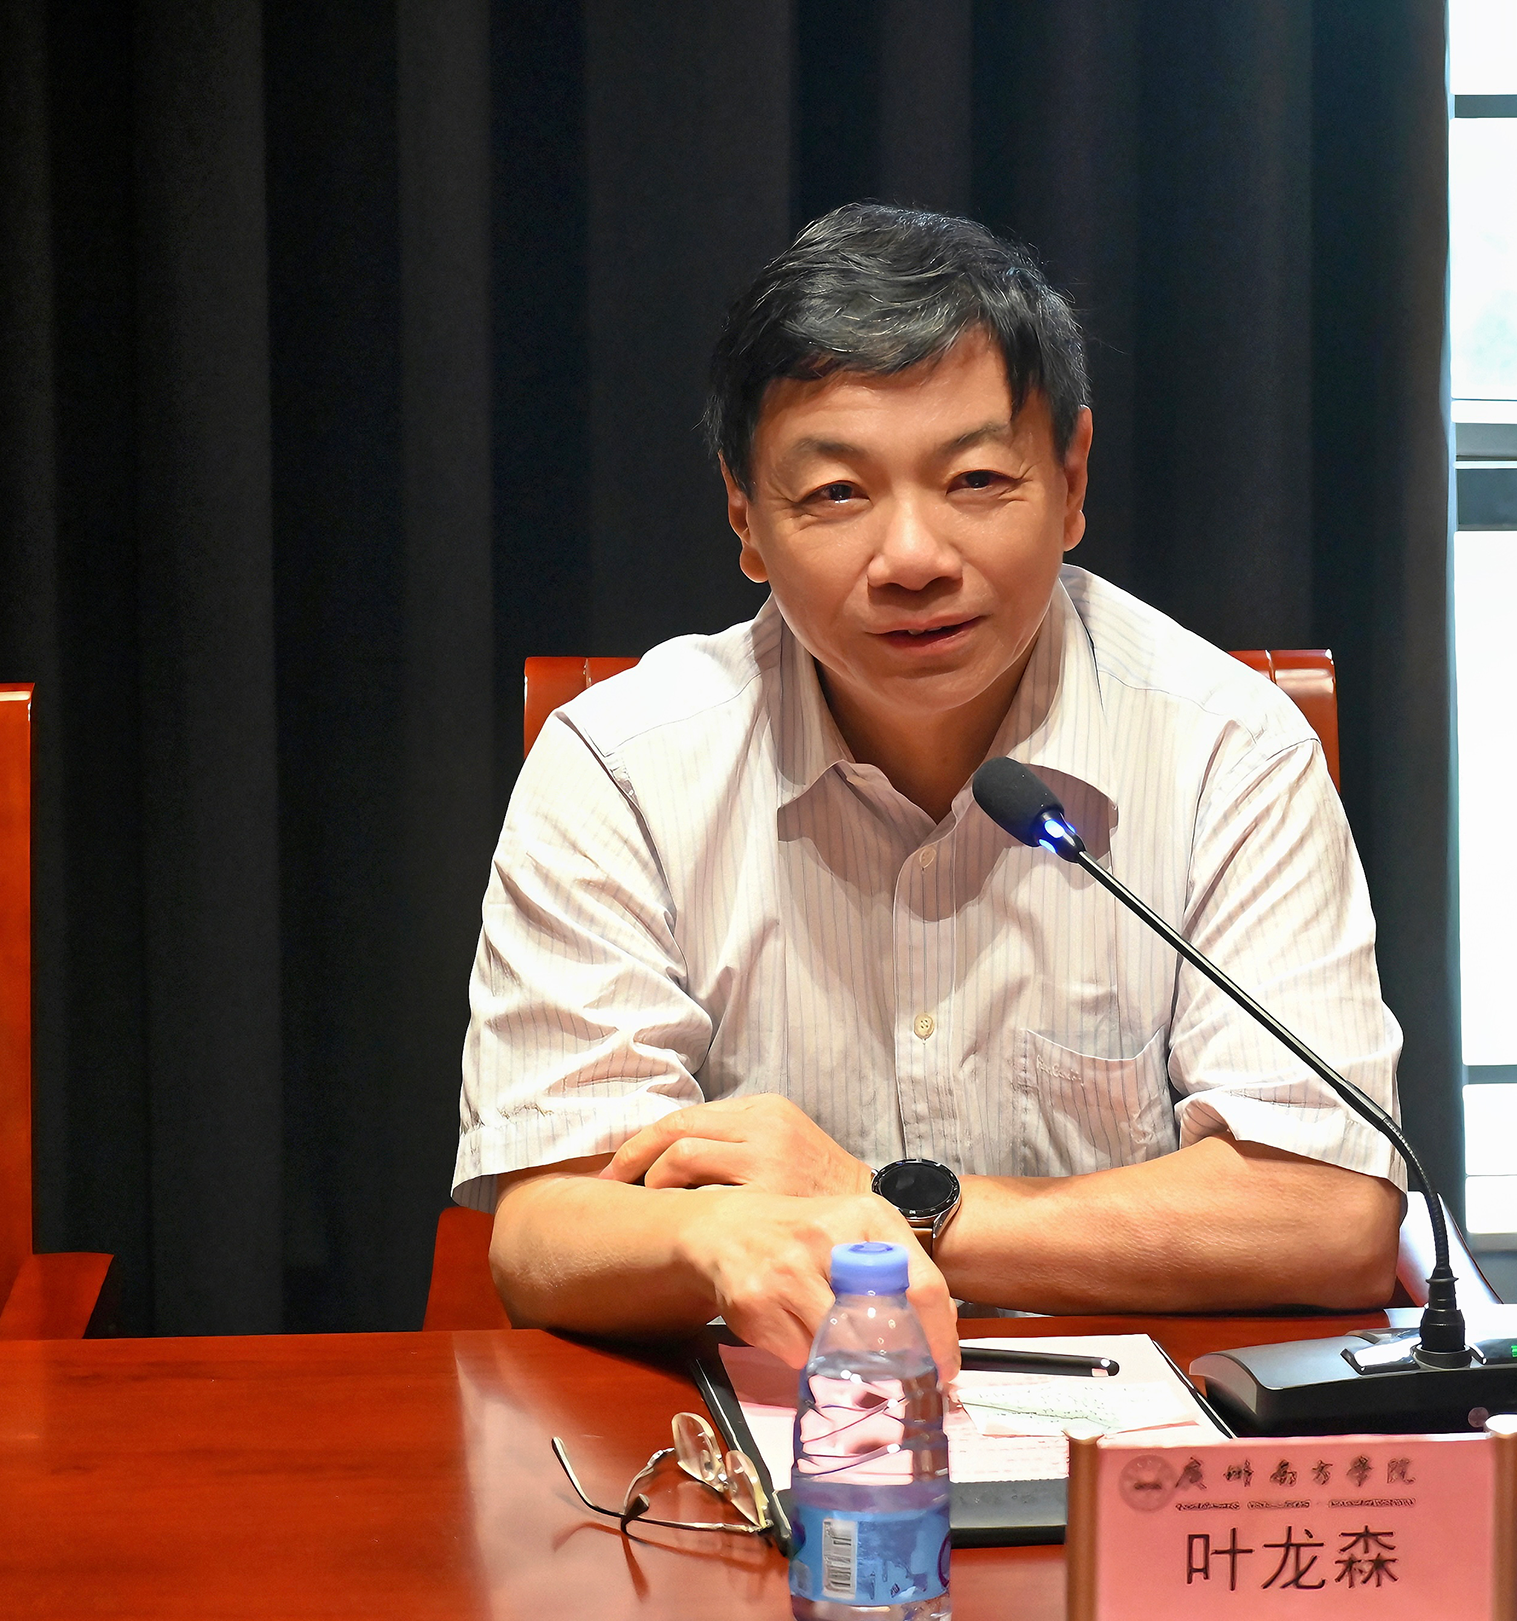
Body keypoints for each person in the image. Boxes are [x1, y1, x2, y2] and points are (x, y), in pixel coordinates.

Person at [454, 204, 1406, 1381]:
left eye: (976, 478)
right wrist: (710, 1240)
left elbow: (1329, 1215)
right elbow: (547, 1225)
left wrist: (873, 1200)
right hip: (762, 1423)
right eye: (835, 493)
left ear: (1071, 479)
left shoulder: (1228, 751)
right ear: (745, 516)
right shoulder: (621, 767)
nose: (912, 558)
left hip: (1128, 1438)